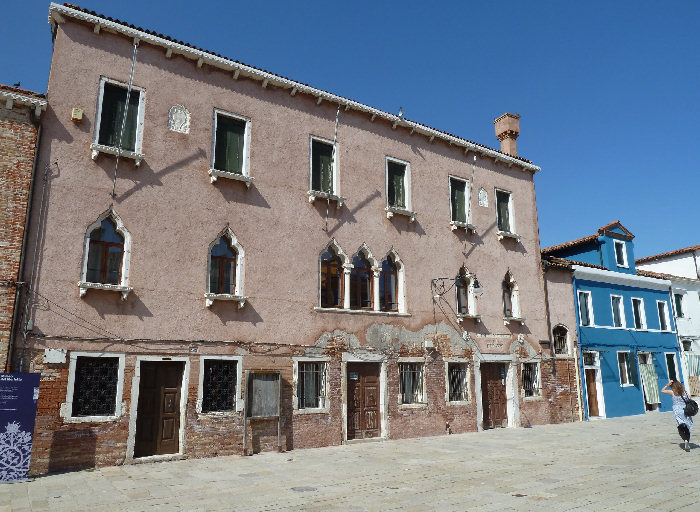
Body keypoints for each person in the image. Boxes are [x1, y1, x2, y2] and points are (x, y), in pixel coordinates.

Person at [661, 380, 693, 451]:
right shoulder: (685, 392)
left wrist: (668, 385)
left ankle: (685, 440)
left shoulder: (673, 392)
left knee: (680, 427)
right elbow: (689, 398)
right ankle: (687, 441)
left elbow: (662, 391)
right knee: (687, 427)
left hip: (677, 411)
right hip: (685, 410)